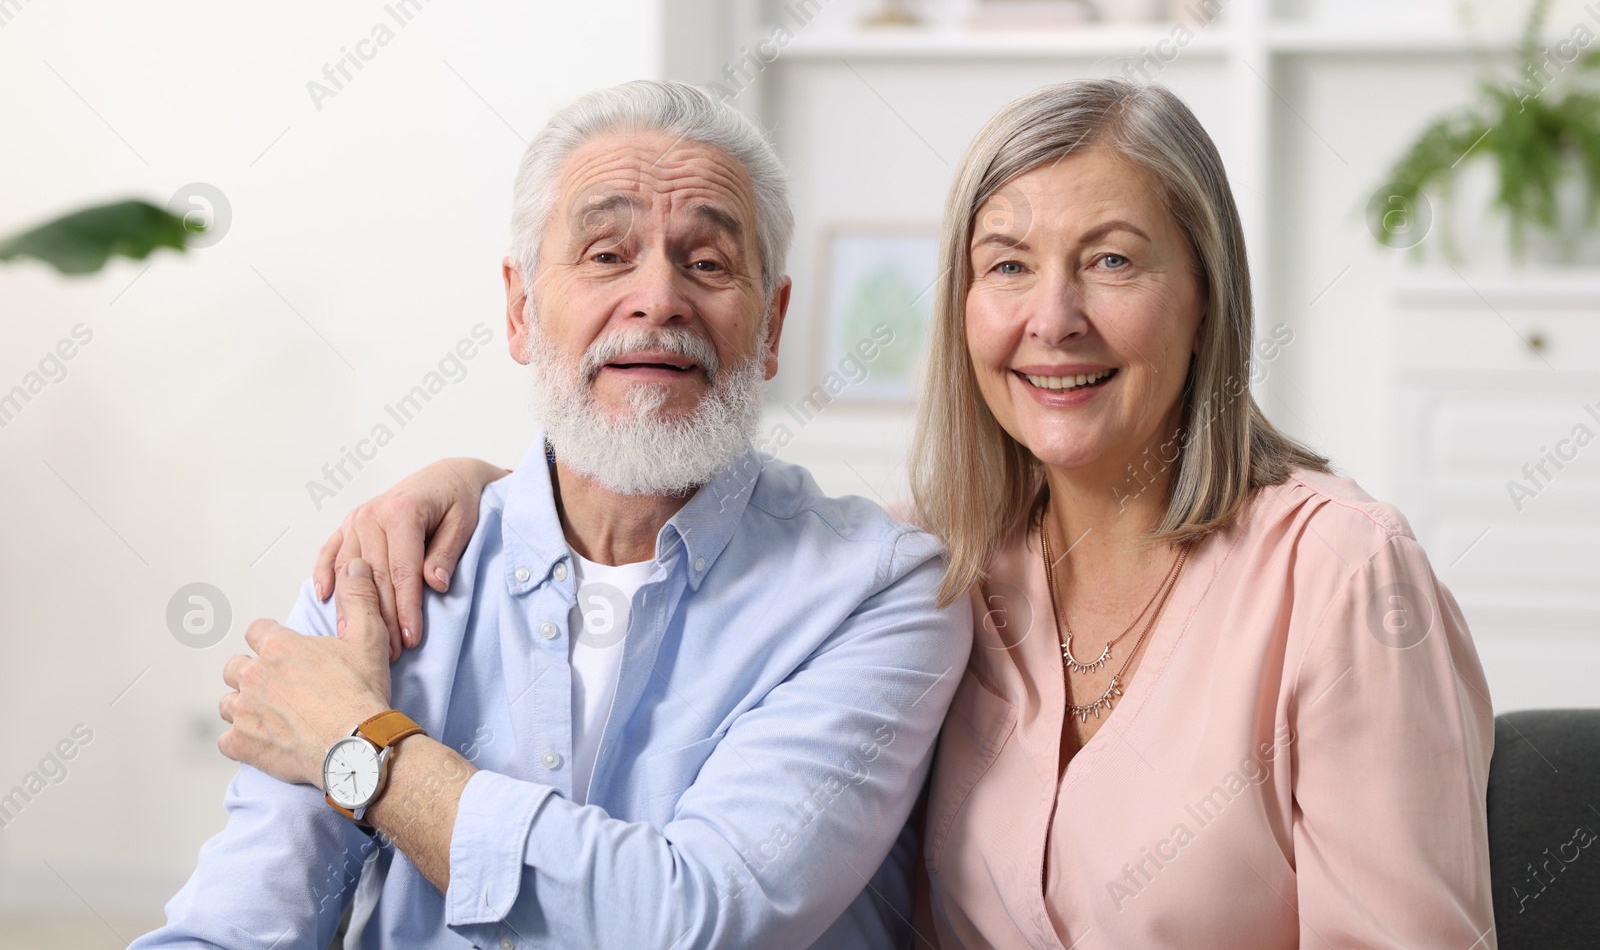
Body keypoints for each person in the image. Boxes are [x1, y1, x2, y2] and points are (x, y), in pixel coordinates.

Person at [314, 80, 1496, 949]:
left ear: (1207, 298)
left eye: (1115, 261)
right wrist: (478, 483)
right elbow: (626, 477)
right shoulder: (942, 565)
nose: (1054, 318)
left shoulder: (1338, 573)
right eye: (1007, 266)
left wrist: (362, 751)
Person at [131, 80, 970, 950]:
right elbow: (234, 927)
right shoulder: (380, 572)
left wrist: (362, 751)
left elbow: (703, 921)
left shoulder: (879, 589)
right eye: (607, 254)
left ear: (772, 325)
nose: (659, 297)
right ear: (521, 307)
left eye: (709, 262)